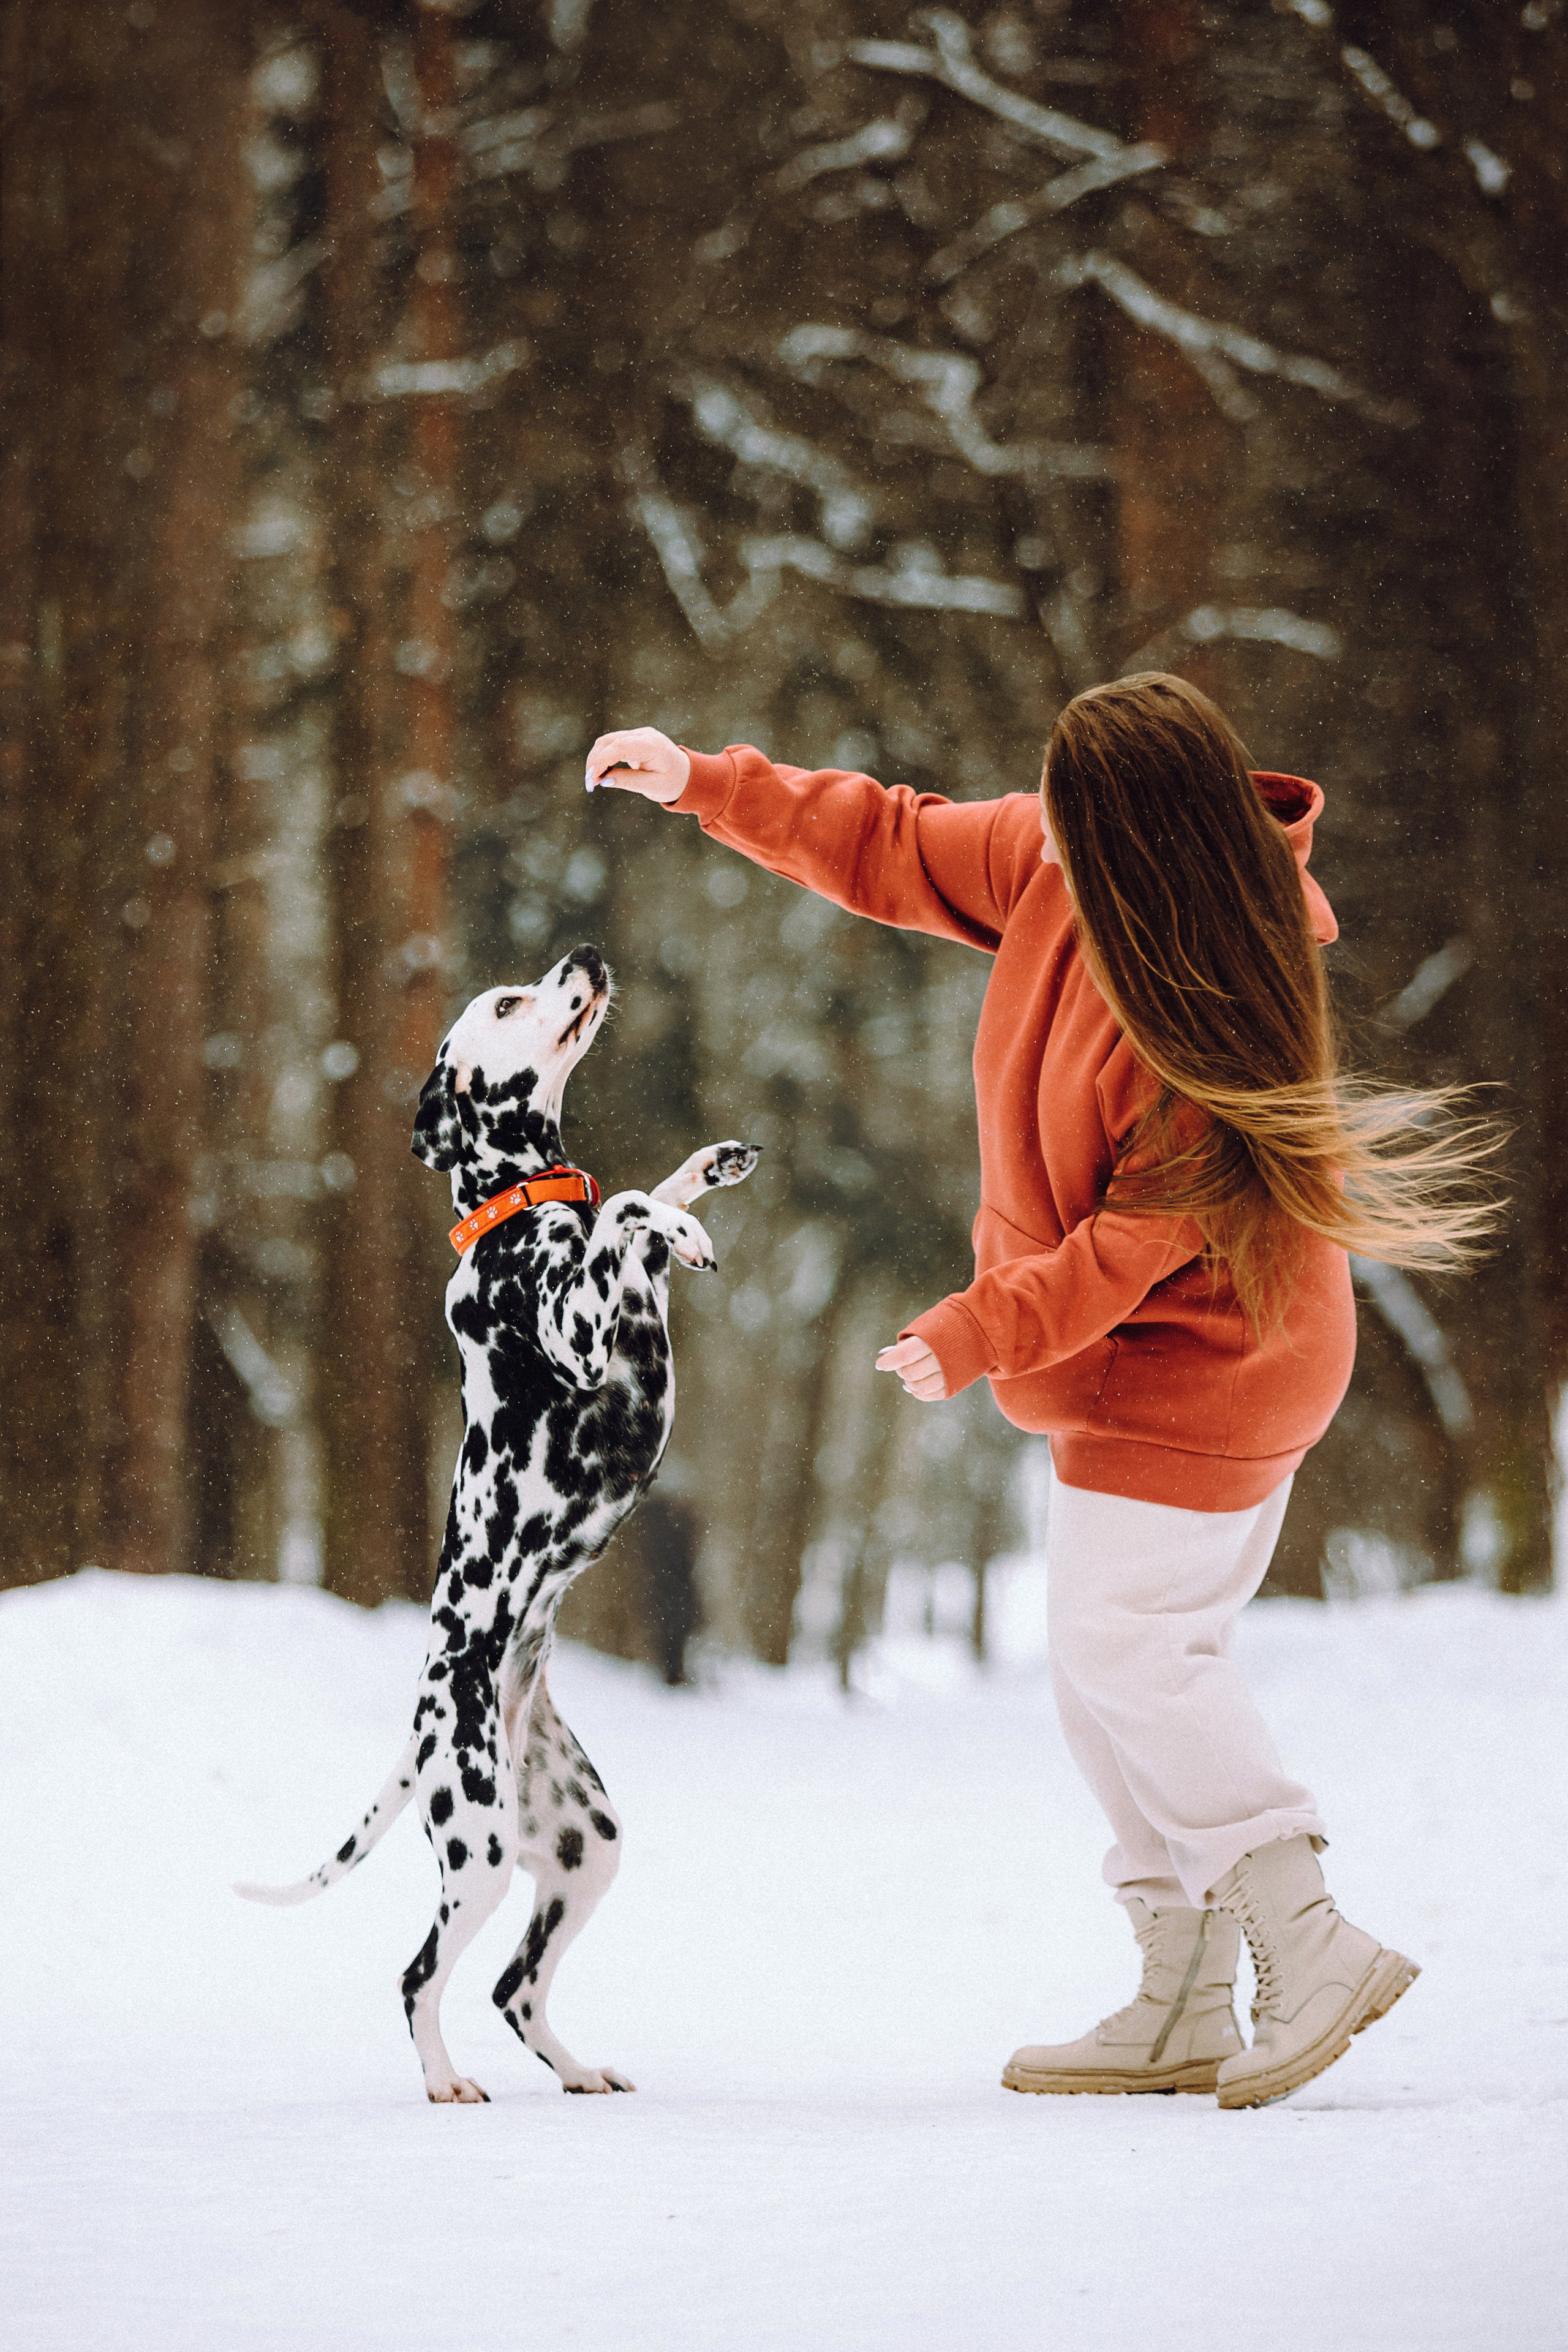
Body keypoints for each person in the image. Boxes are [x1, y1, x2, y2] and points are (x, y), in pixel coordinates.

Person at [582, 674, 1494, 2110]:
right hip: (1126, 1365)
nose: (1042, 838)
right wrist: (703, 780)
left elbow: (1134, 1245)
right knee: (1096, 1675)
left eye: (1072, 819)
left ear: (1140, 837)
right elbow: (891, 839)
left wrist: (973, 1330)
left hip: (1210, 1363)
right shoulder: (1065, 865)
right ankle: (1179, 1991)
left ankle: (1304, 1934)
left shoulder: (1208, 1000)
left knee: (1134, 1651)